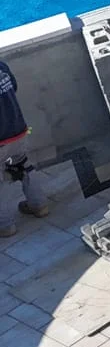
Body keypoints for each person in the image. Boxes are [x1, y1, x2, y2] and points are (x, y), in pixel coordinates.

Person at [0, 60, 51, 239]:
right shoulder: (1, 66)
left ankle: (5, 225)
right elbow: (13, 87)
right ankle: (39, 205)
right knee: (24, 166)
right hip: (18, 129)